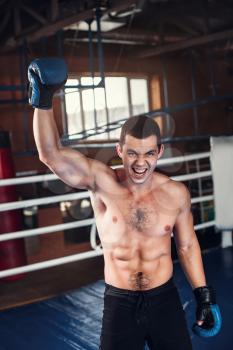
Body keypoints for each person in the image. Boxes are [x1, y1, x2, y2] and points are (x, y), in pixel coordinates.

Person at [28, 58, 221, 350]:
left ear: (159, 152)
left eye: (148, 154)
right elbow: (50, 154)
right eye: (132, 154)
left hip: (164, 300)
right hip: (120, 303)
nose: (140, 163)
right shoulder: (101, 182)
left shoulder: (176, 193)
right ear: (119, 151)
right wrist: (43, 99)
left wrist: (203, 296)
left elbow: (187, 246)